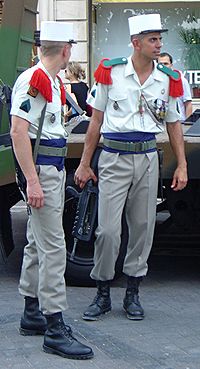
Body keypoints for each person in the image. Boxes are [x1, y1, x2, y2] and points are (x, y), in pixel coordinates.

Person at [74, 13, 188, 321]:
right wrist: (85, 163)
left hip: (148, 157)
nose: (158, 44)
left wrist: (182, 165)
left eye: (159, 39)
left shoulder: (167, 78)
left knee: (142, 229)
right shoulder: (110, 73)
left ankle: (133, 292)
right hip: (113, 156)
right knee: (108, 231)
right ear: (135, 43)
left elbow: (174, 124)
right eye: (152, 39)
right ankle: (102, 292)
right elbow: (95, 122)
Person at [10, 21, 93, 360]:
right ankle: (54, 326)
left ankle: (32, 312)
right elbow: (18, 132)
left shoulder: (55, 81)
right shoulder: (35, 80)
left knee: (36, 242)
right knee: (55, 247)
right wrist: (32, 181)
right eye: (71, 47)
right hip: (42, 170)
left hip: (51, 168)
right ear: (66, 50)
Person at [158, 52, 193, 122]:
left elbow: (188, 103)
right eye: (160, 64)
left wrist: (188, 123)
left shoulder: (181, 80)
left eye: (166, 64)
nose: (163, 66)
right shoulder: (155, 80)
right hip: (160, 123)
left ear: (171, 65)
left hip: (179, 121)